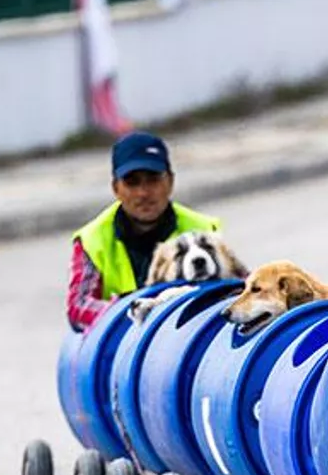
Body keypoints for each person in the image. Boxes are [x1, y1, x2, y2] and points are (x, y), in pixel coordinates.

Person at [66, 132, 223, 332]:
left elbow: (236, 287)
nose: (143, 192)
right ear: (115, 188)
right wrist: (135, 314)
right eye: (132, 182)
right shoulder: (92, 239)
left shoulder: (204, 229)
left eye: (153, 180)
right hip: (121, 346)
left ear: (170, 182)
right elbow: (79, 307)